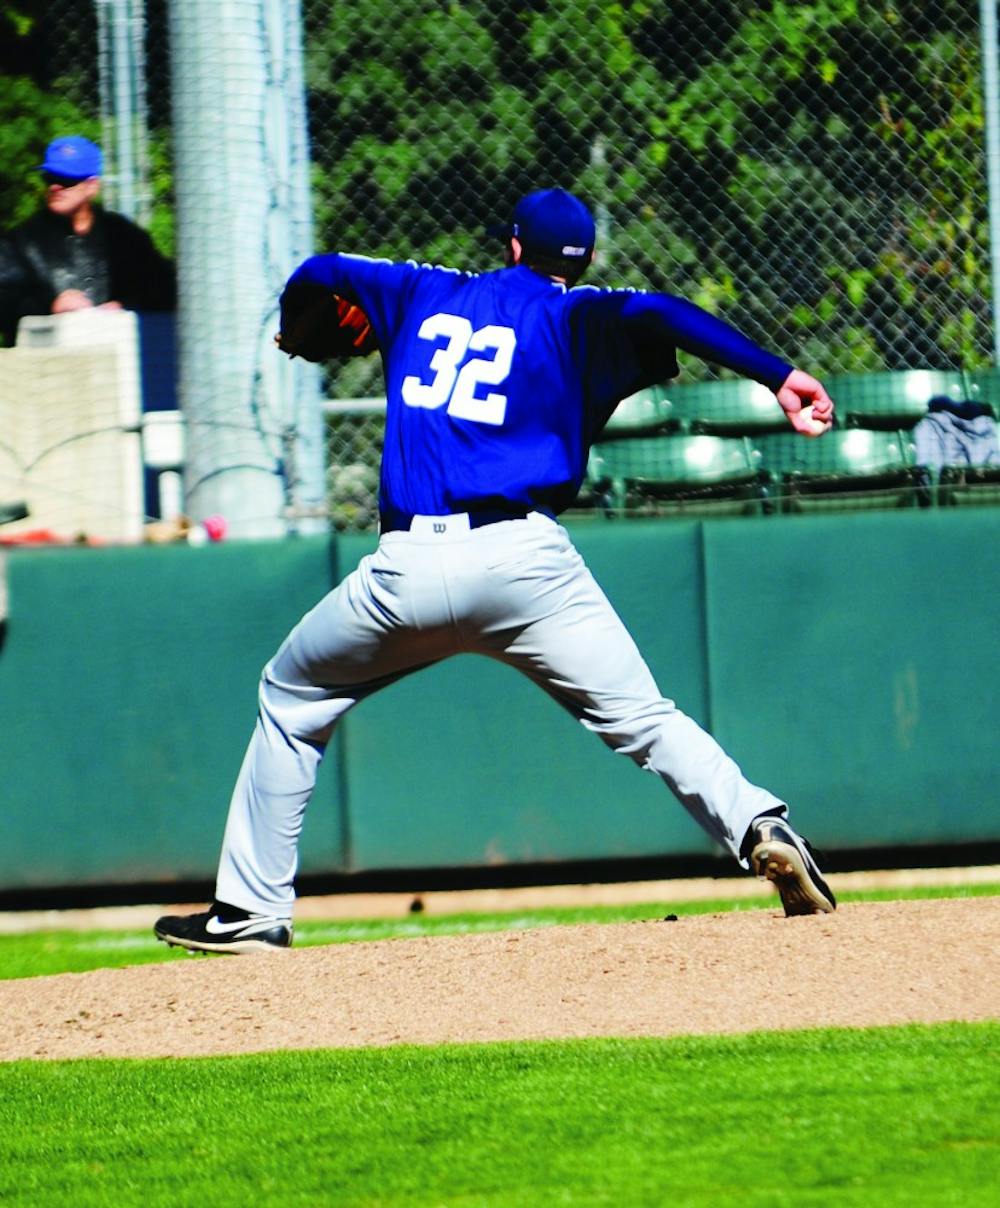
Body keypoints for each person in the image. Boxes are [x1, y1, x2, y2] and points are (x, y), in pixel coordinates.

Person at [154, 187, 837, 954]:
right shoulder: (575, 315)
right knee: (644, 719)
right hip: (525, 564)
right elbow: (661, 314)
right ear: (580, 261)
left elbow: (317, 271)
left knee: (291, 693)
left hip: (406, 570)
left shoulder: (424, 289)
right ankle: (756, 823)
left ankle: (247, 913)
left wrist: (299, 325)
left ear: (511, 244)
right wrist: (777, 375)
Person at [0, 135, 176, 345]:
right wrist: (50, 305)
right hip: (46, 364)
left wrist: (126, 306)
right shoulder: (21, 241)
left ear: (92, 186)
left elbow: (166, 289)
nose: (55, 187)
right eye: (49, 178)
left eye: (66, 180)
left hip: (118, 359)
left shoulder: (124, 236)